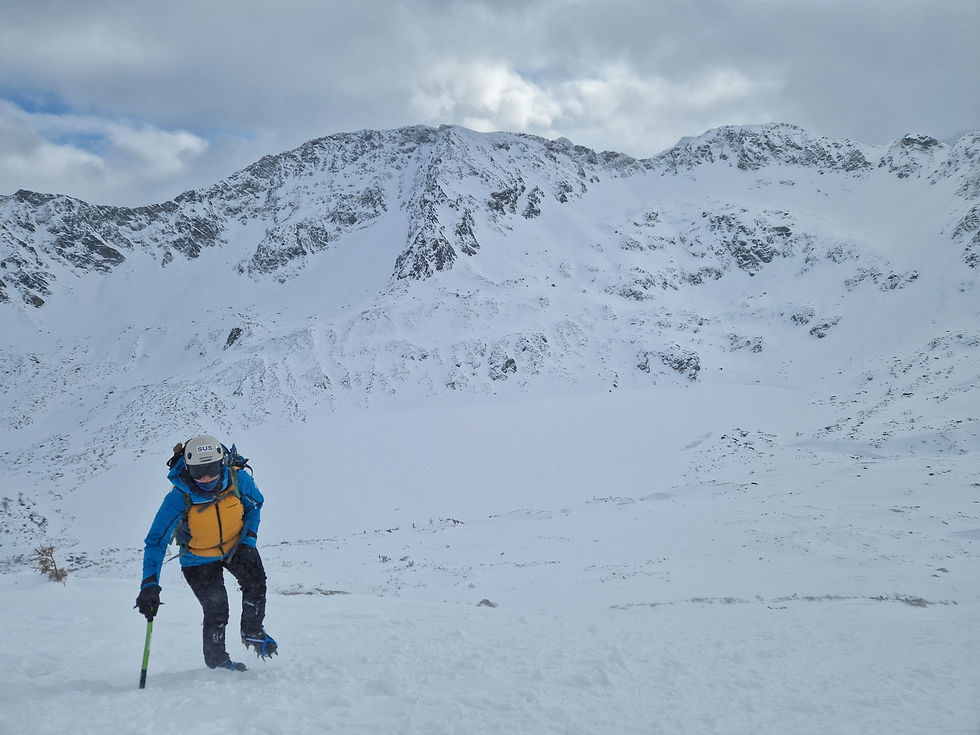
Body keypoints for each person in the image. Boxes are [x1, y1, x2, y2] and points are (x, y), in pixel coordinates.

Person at [135, 435, 277, 671]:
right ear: (188, 469)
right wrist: (149, 585)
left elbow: (254, 506)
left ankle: (252, 630)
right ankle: (217, 660)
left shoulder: (237, 478)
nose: (206, 478)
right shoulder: (178, 497)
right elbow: (156, 542)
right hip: (197, 558)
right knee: (217, 609)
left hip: (236, 546)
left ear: (221, 463)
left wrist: (248, 541)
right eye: (198, 472)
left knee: (255, 582)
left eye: (211, 469)